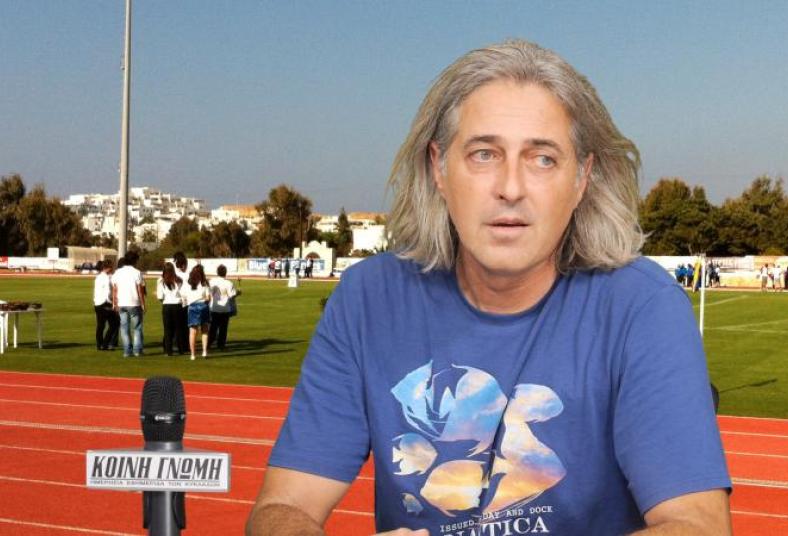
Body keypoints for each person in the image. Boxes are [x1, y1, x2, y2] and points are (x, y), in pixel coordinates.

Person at [248, 40, 731, 535]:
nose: (511, 188)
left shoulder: (642, 306)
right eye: (484, 154)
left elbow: (698, 524)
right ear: (438, 168)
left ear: (582, 178)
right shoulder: (367, 300)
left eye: (543, 159)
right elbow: (281, 508)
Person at [111, 251, 145, 357]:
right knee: (137, 327)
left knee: (124, 328)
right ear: (135, 260)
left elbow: (114, 289)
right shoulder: (137, 272)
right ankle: (137, 351)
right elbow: (140, 290)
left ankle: (127, 351)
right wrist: (143, 304)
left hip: (121, 303)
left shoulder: (117, 272)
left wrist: (114, 303)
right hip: (134, 303)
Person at [180, 264, 211, 360]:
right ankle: (204, 351)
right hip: (203, 306)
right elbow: (208, 298)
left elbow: (182, 295)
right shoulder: (204, 283)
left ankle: (193, 354)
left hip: (192, 307)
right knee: (204, 330)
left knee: (192, 332)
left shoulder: (187, 284)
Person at [209, 264, 240, 351]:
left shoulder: (211, 281)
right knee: (223, 328)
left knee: (213, 328)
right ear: (225, 273)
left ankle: (208, 344)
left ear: (217, 272)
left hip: (214, 307)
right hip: (225, 308)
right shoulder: (228, 283)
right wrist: (238, 293)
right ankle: (221, 345)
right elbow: (231, 295)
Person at [156, 262, 183, 356]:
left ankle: (168, 351)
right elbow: (182, 293)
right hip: (178, 305)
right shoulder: (179, 280)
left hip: (167, 306)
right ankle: (181, 349)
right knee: (179, 329)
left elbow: (160, 296)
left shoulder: (161, 281)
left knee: (167, 329)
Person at [92, 259, 119, 351]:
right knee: (115, 324)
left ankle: (99, 344)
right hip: (105, 303)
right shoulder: (107, 278)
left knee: (100, 325)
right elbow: (108, 292)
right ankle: (105, 343)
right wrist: (112, 303)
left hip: (97, 303)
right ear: (109, 267)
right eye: (112, 267)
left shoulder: (98, 277)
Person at [172, 252, 191, 354]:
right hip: (184, 302)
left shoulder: (172, 273)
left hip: (172, 301)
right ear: (184, 265)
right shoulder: (186, 275)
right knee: (184, 326)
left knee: (175, 325)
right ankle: (184, 346)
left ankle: (174, 344)